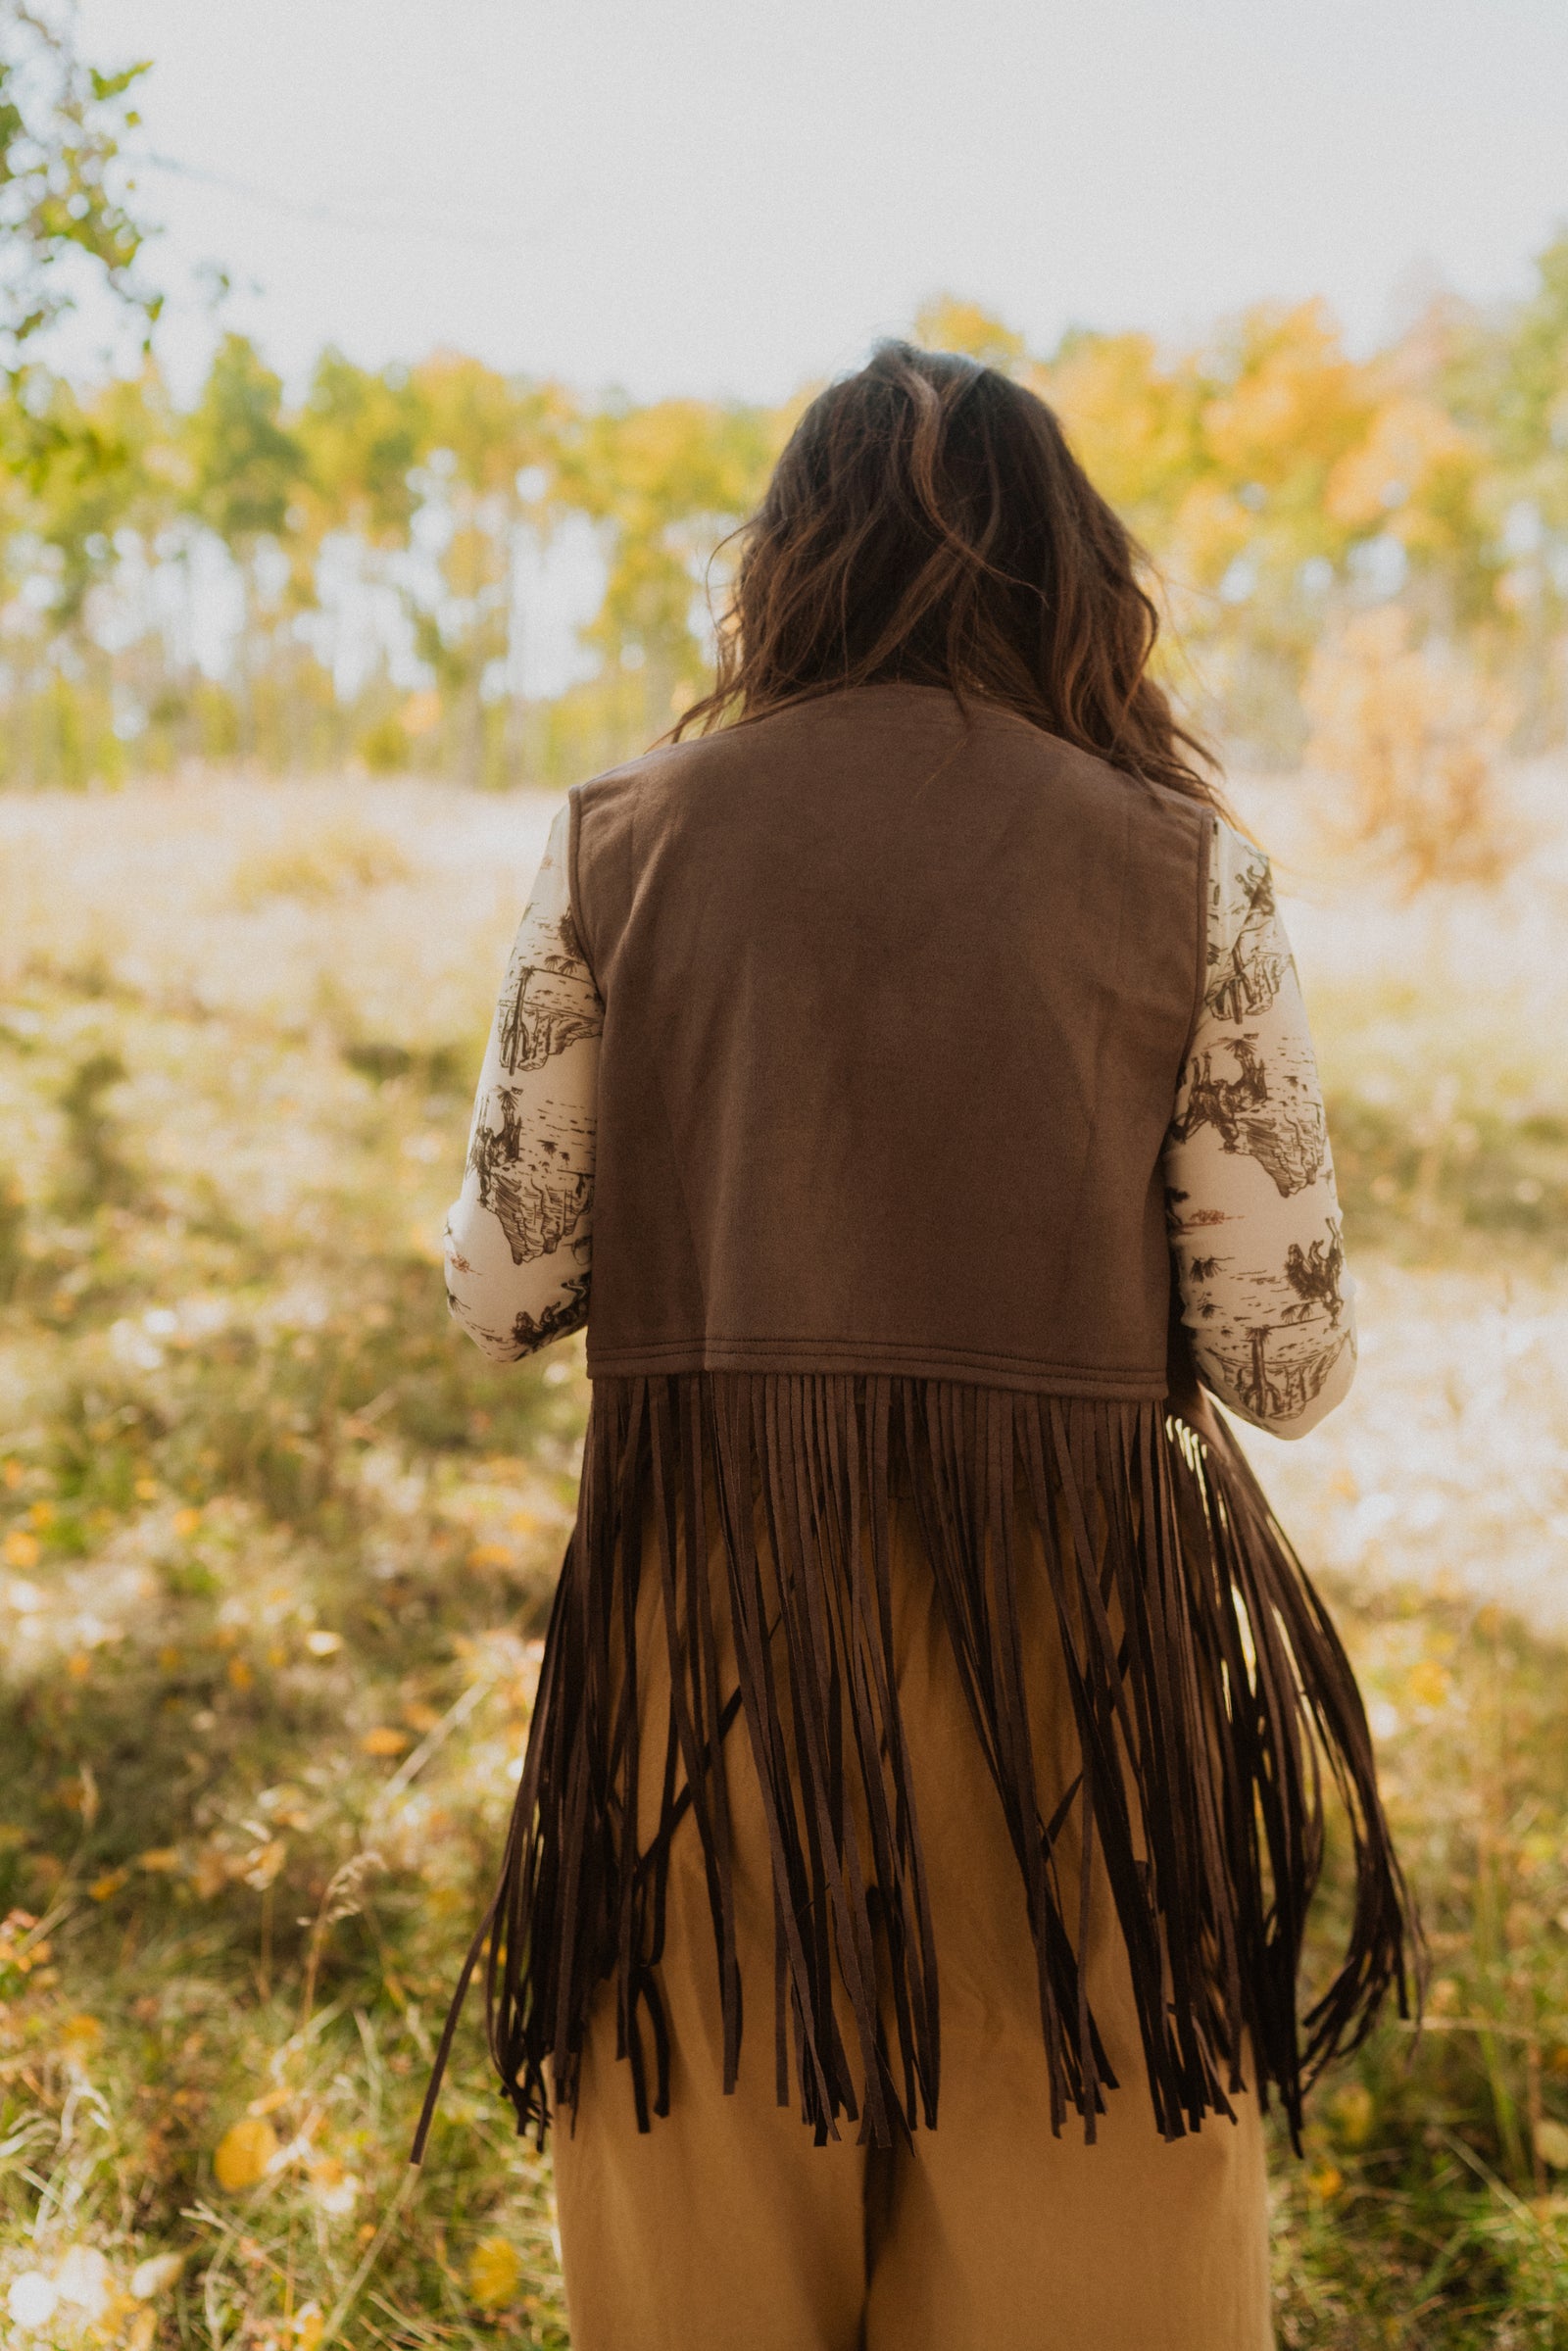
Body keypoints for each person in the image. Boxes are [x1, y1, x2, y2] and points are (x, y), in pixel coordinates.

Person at [424, 342, 1413, 2351]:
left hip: (703, 1673)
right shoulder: (1181, 871)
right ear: (1075, 583)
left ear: (780, 570)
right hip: (1066, 1694)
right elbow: (1282, 1360)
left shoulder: (616, 836)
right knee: (1092, 2265)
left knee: (702, 2269)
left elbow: (505, 1291)